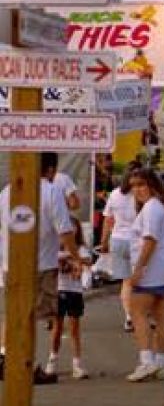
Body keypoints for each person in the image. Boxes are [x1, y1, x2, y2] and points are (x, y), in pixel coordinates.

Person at [0, 151, 80, 384]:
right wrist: (76, 258)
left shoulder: (7, 191)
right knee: (33, 317)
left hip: (10, 263)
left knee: (13, 313)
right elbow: (65, 230)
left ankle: (4, 356)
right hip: (42, 264)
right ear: (51, 169)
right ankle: (30, 365)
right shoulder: (52, 191)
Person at [125, 168, 164, 382]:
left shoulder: (151, 209)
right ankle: (161, 362)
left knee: (137, 312)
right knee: (161, 316)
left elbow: (150, 240)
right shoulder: (161, 207)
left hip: (152, 270)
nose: (137, 190)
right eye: (133, 187)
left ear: (151, 185)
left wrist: (139, 268)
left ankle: (146, 360)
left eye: (141, 185)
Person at [45, 215, 92, 380]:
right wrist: (67, 260)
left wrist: (76, 263)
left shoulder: (80, 249)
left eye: (74, 228)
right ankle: (52, 361)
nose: (71, 231)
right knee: (57, 328)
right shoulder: (54, 250)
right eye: (67, 228)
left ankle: (77, 364)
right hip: (58, 291)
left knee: (74, 329)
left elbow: (86, 262)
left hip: (74, 292)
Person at [100, 162, 140, 332]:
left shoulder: (115, 195)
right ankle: (143, 315)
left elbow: (108, 220)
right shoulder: (140, 195)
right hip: (137, 241)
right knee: (140, 280)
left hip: (117, 240)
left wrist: (104, 242)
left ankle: (129, 317)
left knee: (126, 282)